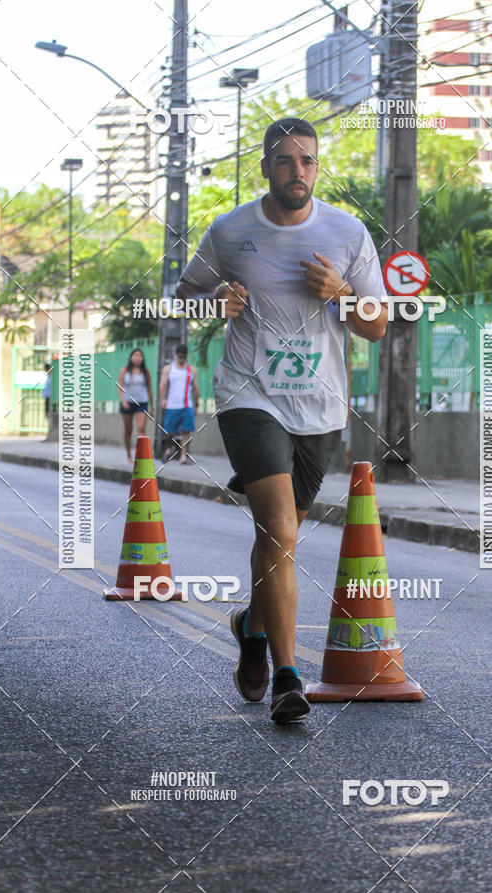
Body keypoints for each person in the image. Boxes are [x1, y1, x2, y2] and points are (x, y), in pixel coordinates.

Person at [175, 117, 387, 724]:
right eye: (287, 160)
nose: (299, 171)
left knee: (279, 536)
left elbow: (376, 324)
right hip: (249, 395)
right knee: (280, 529)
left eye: (309, 161)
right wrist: (214, 302)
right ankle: (289, 679)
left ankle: (251, 627)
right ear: (265, 166)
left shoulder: (347, 232)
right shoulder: (231, 230)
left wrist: (344, 292)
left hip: (318, 406)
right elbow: (183, 297)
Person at [159, 344, 199, 464]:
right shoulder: (169, 369)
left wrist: (196, 405)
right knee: (169, 431)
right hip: (172, 405)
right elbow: (162, 385)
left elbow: (195, 389)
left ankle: (183, 456)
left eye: (183, 356)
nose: (181, 358)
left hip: (187, 405)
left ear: (186, 356)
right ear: (176, 355)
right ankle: (170, 448)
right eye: (179, 356)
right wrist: (163, 399)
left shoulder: (191, 370)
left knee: (186, 431)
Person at [117, 348, 154, 463]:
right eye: (135, 355)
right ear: (131, 357)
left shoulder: (145, 372)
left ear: (142, 358)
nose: (138, 358)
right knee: (128, 429)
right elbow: (120, 386)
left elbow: (149, 389)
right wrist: (123, 400)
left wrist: (152, 406)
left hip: (141, 403)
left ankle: (141, 456)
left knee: (141, 428)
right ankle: (128, 454)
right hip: (127, 402)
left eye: (140, 356)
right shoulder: (125, 370)